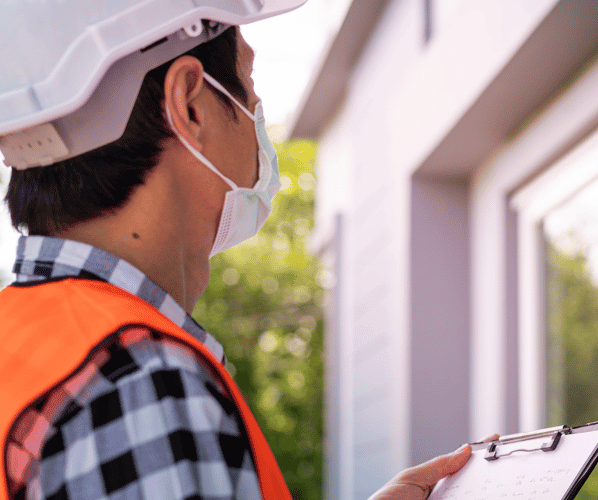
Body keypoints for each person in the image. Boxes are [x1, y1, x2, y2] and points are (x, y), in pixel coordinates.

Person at [0, 2, 478, 499]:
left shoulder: (23, 344)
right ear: (190, 105)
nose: (257, 116)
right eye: (250, 86)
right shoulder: (142, 383)